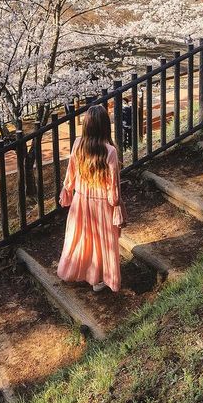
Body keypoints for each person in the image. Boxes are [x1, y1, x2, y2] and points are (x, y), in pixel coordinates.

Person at [57, 104, 126, 292]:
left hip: (80, 200)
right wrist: (117, 205)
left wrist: (68, 189)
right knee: (102, 241)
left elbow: (70, 172)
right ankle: (99, 278)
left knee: (81, 238)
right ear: (105, 126)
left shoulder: (78, 144)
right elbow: (114, 186)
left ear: (86, 125)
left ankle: (81, 272)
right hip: (102, 204)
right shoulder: (110, 151)